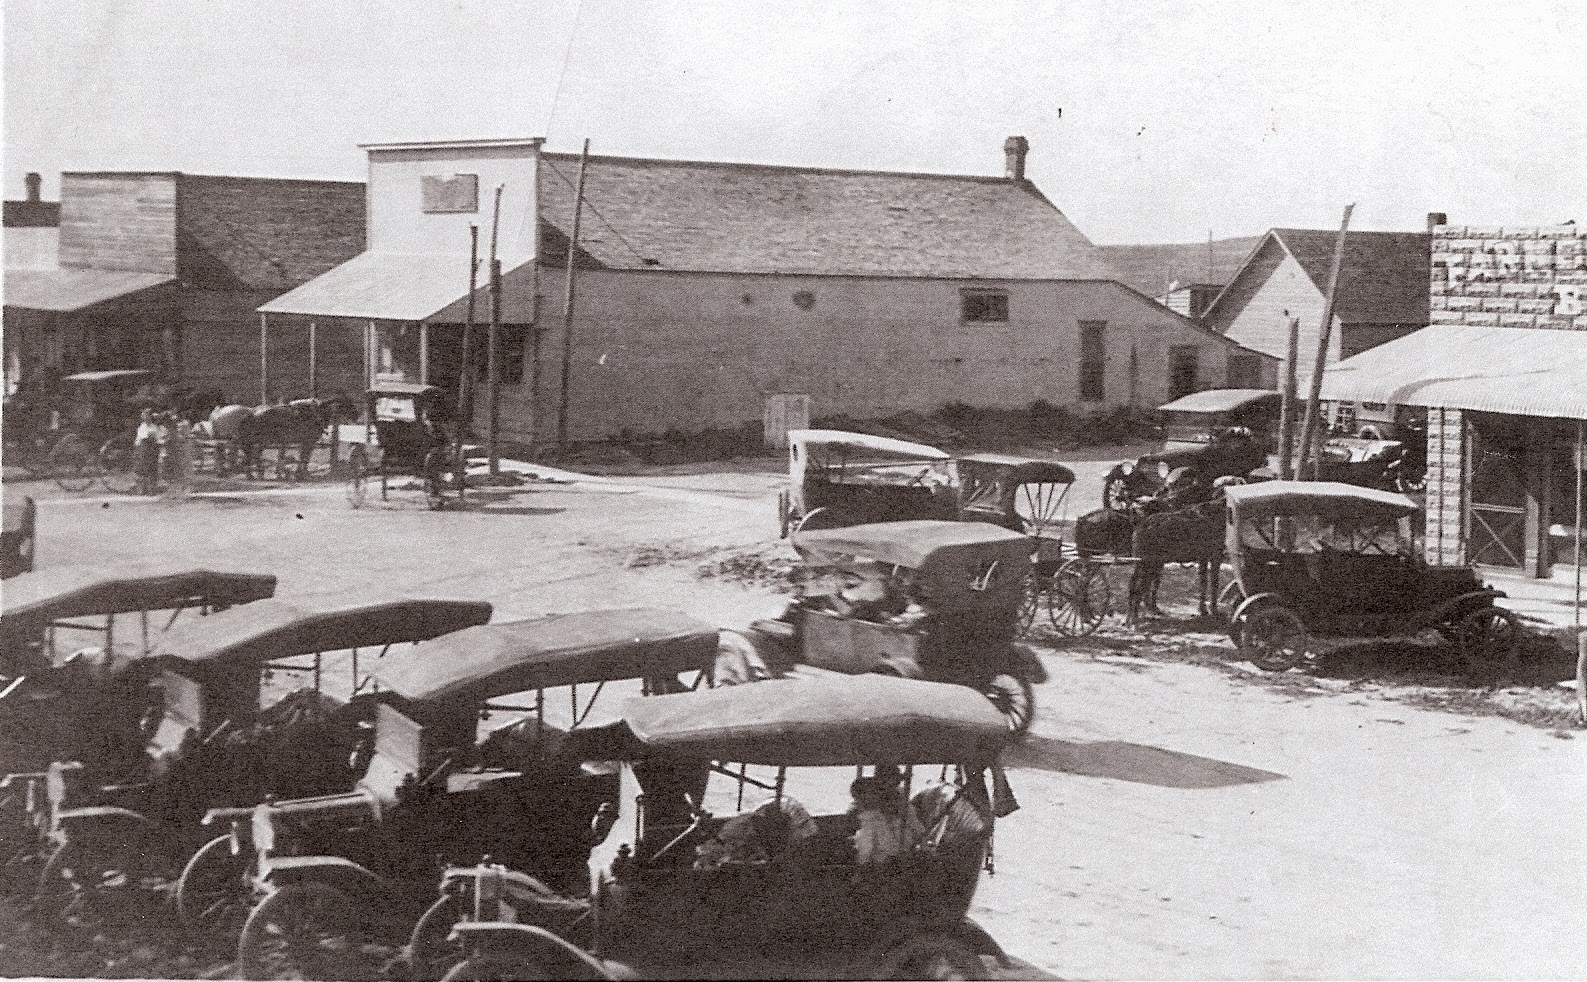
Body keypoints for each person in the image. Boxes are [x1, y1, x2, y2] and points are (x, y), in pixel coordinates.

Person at [850, 770, 924, 865]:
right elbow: (866, 849)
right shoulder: (869, 818)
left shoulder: (905, 807)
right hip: (881, 862)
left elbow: (919, 831)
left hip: (903, 855)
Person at [134, 409, 161, 494]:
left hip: (152, 449)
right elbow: (142, 438)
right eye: (144, 416)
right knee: (142, 469)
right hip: (143, 449)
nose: (146, 418)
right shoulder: (142, 427)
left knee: (152, 469)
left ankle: (152, 489)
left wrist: (153, 438)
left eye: (147, 416)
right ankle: (142, 489)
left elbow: (157, 437)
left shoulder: (154, 427)